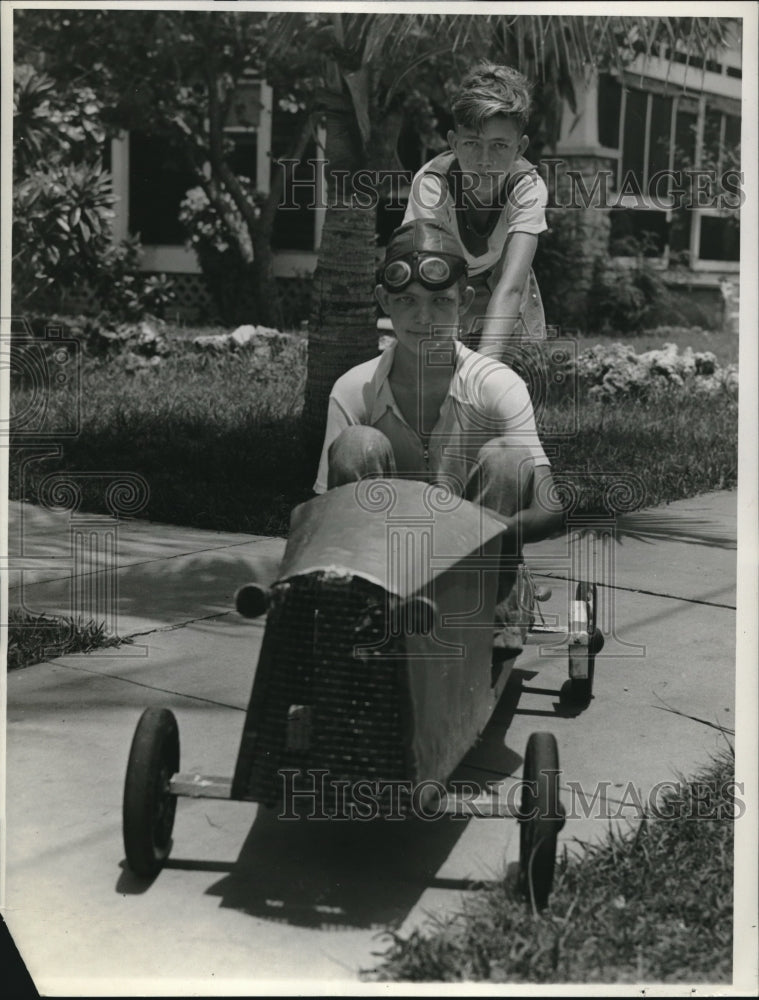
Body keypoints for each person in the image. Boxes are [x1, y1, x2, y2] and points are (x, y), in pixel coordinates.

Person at [313, 220, 564, 655]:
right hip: (386, 560)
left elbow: (550, 507)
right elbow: (325, 511)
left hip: (476, 559)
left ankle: (494, 620)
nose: (423, 317)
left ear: (464, 302)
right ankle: (365, 616)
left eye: (440, 301)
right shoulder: (355, 389)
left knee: (507, 454)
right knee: (357, 443)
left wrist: (491, 532)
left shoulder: (496, 384)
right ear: (383, 301)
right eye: (406, 301)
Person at [402, 62, 548, 359]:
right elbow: (433, 279)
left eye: (499, 146)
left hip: (502, 278)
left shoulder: (528, 187)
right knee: (438, 371)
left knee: (511, 378)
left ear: (519, 148)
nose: (484, 160)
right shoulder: (432, 185)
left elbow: (510, 288)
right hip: (439, 279)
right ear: (454, 143)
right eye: (472, 143)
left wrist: (486, 372)